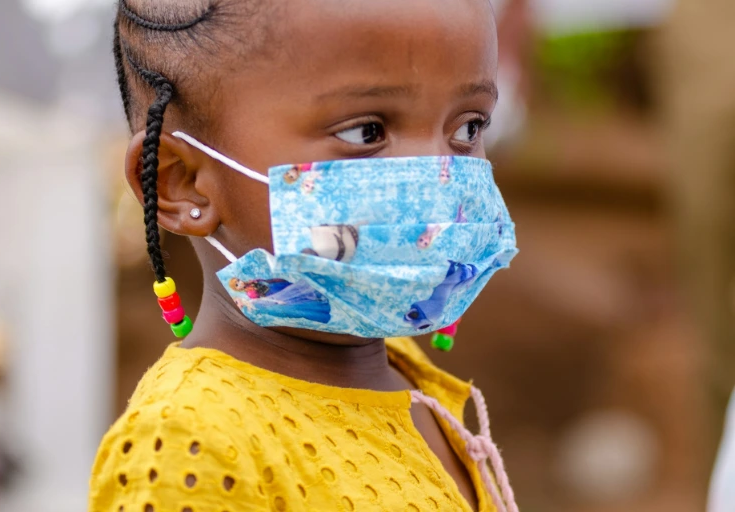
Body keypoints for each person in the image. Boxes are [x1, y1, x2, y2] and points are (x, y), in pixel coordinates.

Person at [89, 0, 519, 510]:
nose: (437, 173)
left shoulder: (404, 369)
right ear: (181, 183)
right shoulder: (190, 447)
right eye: (367, 132)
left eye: (468, 127)